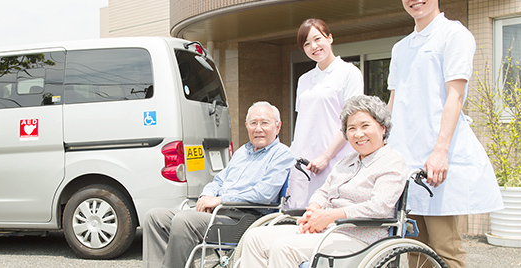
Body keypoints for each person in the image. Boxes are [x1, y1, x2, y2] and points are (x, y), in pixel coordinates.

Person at [387, 0, 503, 267]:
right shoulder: (401, 48)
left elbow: (455, 96)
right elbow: (394, 102)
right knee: (411, 249)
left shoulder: (454, 34)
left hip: (439, 158)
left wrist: (439, 153)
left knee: (445, 249)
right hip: (407, 158)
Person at [238, 95, 407, 267]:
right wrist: (313, 209)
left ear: (383, 128)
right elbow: (323, 191)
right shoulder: (348, 161)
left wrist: (330, 216)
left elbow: (379, 206)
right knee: (255, 237)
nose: (358, 134)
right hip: (327, 230)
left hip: (359, 238)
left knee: (283, 248)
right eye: (351, 128)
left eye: (365, 126)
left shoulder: (391, 161)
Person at [142, 101, 296, 268]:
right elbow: (219, 180)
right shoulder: (242, 152)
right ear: (246, 126)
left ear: (278, 126)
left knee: (183, 219)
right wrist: (206, 196)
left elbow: (263, 194)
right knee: (154, 217)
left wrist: (220, 200)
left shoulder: (282, 154)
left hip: (246, 218)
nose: (258, 128)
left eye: (264, 123)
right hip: (220, 212)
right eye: (253, 123)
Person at [288, 18, 364, 209]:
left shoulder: (349, 72)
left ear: (329, 38)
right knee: (299, 217)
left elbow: (351, 122)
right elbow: (303, 122)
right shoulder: (304, 80)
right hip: (303, 164)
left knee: (328, 217)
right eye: (306, 44)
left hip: (335, 161)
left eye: (317, 39)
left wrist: (326, 157)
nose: (313, 46)